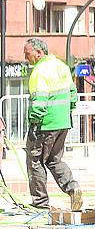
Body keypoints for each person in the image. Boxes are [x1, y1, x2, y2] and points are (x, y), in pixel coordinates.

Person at [23, 38, 82, 211]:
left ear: (38, 52)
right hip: (62, 122)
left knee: (35, 161)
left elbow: (39, 101)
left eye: (28, 54)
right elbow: (72, 93)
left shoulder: (39, 72)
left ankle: (40, 203)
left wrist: (34, 122)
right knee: (54, 160)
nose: (26, 58)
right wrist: (66, 112)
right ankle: (73, 187)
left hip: (45, 124)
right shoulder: (61, 66)